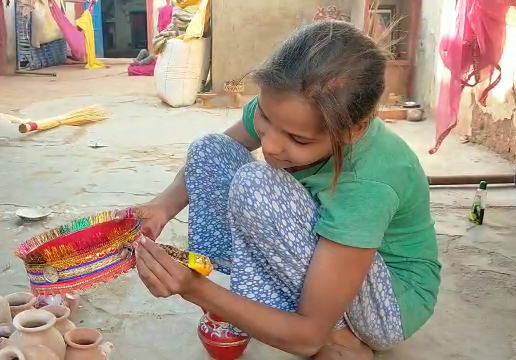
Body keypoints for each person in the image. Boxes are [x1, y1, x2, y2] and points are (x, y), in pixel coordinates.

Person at [124, 21, 441, 360]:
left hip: (389, 303)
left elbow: (306, 337)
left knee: (256, 184)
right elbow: (216, 159)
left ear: (354, 130)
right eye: (264, 118)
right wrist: (162, 207)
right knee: (211, 149)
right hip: (330, 256)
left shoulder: (369, 183)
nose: (271, 145)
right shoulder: (285, 107)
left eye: (298, 139)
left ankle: (340, 336)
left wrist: (196, 290)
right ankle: (267, 309)